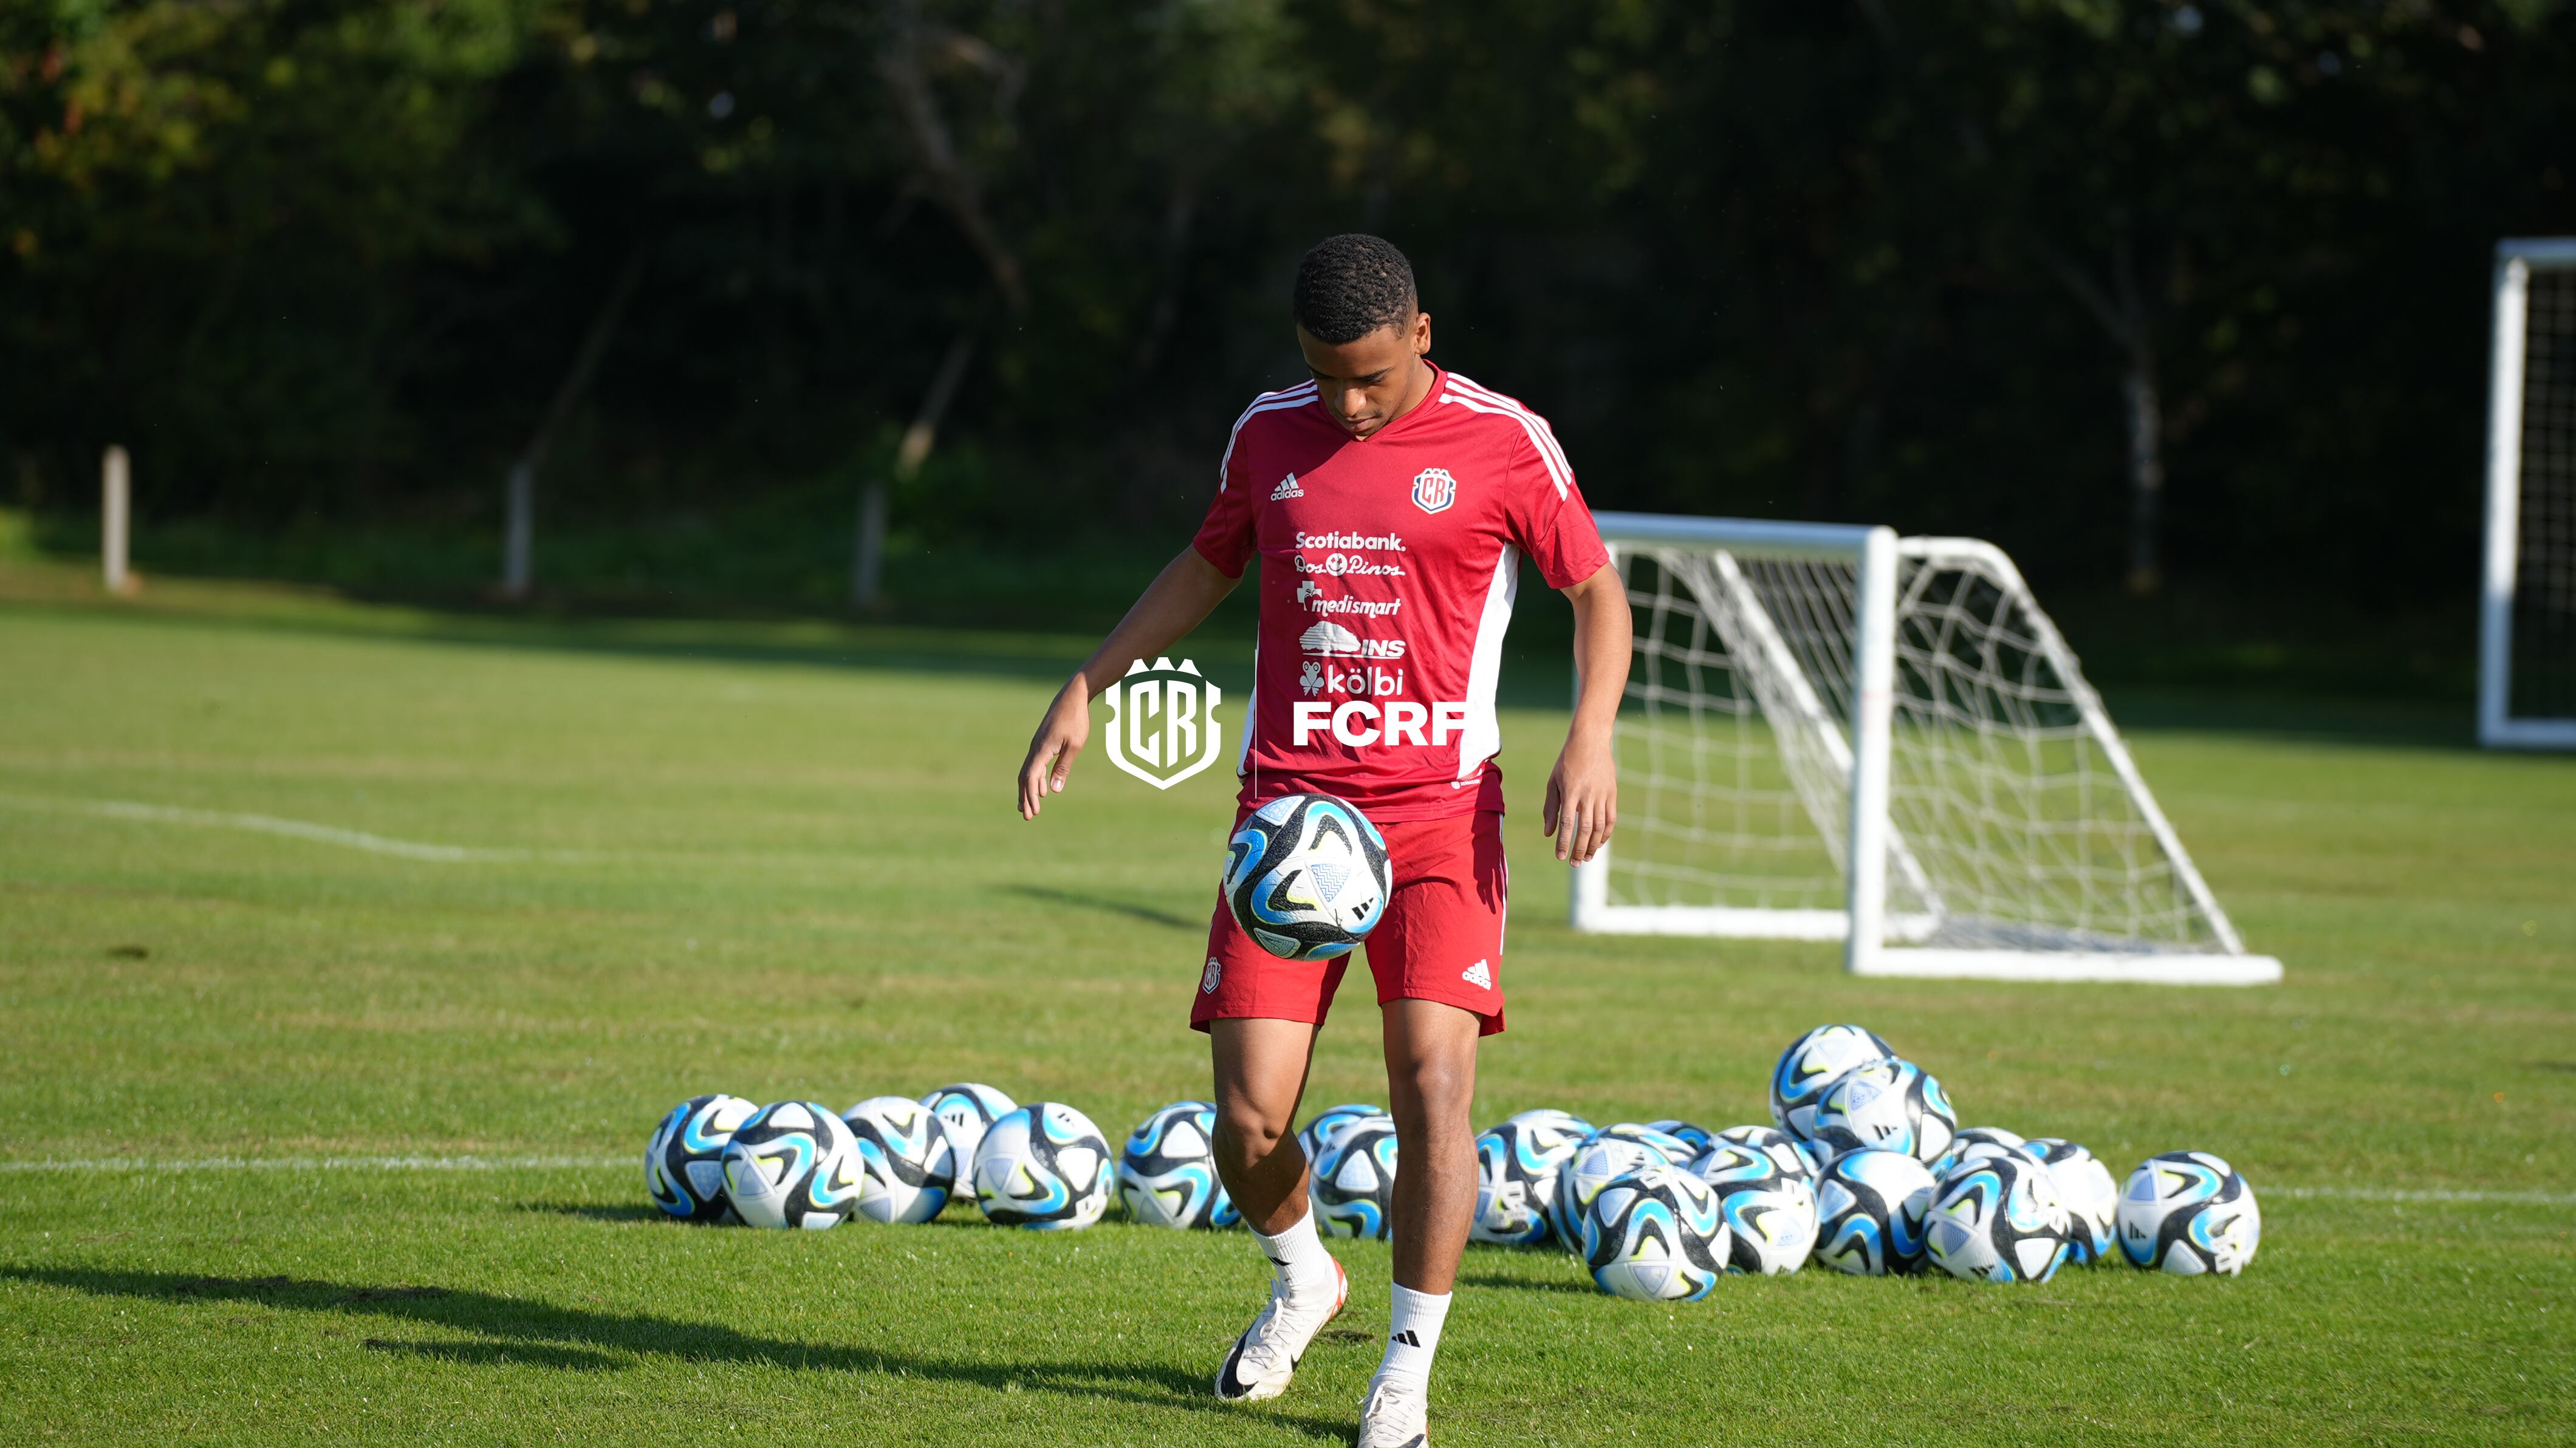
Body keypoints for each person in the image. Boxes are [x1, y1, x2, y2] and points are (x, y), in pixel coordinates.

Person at [1015, 232, 1631, 1448]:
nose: (1346, 403)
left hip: (1442, 815)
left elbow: (1595, 590)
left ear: (1420, 333)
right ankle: (1304, 1275)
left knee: (1431, 1087)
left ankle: (1402, 1368)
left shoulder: (1505, 439)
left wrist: (1590, 736)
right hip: (1288, 821)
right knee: (1242, 1125)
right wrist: (1089, 682)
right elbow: (1206, 561)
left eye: (1370, 378)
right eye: (1323, 375)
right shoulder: (1267, 432)